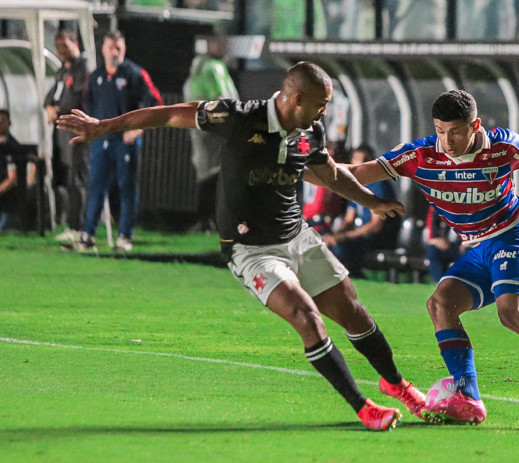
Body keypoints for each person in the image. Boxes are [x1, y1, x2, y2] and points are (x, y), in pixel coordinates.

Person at [57, 61, 426, 431]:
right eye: (321, 103)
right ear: (297, 97)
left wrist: (372, 201)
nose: (324, 111)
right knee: (306, 317)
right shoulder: (237, 116)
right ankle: (364, 408)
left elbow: (328, 174)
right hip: (252, 250)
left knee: (354, 313)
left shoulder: (310, 129)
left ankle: (396, 384)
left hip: (298, 236)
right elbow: (169, 115)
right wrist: (104, 127)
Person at [347, 90, 519, 425]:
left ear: (474, 125)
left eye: (454, 132)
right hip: (479, 248)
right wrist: (302, 168)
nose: (447, 141)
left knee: (512, 311)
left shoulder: (502, 146)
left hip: (517, 234)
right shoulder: (421, 155)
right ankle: (468, 397)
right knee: (440, 304)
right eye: (440, 130)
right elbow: (355, 172)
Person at [67, 30, 163, 252]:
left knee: (126, 188)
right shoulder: (97, 75)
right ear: (103, 49)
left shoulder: (134, 73)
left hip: (125, 141)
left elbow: (156, 102)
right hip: (102, 142)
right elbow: (87, 103)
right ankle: (87, 234)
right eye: (111, 47)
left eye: (119, 47)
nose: (115, 51)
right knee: (96, 187)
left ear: (124, 48)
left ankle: (124, 237)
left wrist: (139, 128)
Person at [183, 36, 239, 232]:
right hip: (214, 129)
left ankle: (205, 219)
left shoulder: (196, 69)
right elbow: (223, 99)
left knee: (205, 173)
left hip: (198, 127)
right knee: (217, 173)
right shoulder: (213, 68)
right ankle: (212, 220)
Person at [322, 145, 400, 277]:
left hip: (378, 238)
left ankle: (353, 277)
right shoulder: (355, 186)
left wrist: (345, 236)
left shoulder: (379, 185)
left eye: (359, 159)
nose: (354, 162)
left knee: (342, 249)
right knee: (329, 245)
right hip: (359, 235)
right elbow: (348, 219)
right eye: (354, 158)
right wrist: (335, 235)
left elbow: (376, 226)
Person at [45, 29, 91, 242]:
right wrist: (49, 107)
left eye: (65, 46)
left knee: (77, 180)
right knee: (64, 178)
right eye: (58, 47)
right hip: (61, 132)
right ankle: (68, 223)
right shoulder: (63, 70)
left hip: (77, 132)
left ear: (76, 44)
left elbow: (80, 98)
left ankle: (78, 228)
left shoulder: (84, 69)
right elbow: (51, 94)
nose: (61, 51)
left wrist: (59, 111)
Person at [0, 109, 35, 233]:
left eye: (3, 121)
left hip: (9, 204)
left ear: (9, 123)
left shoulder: (13, 148)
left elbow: (12, 178)